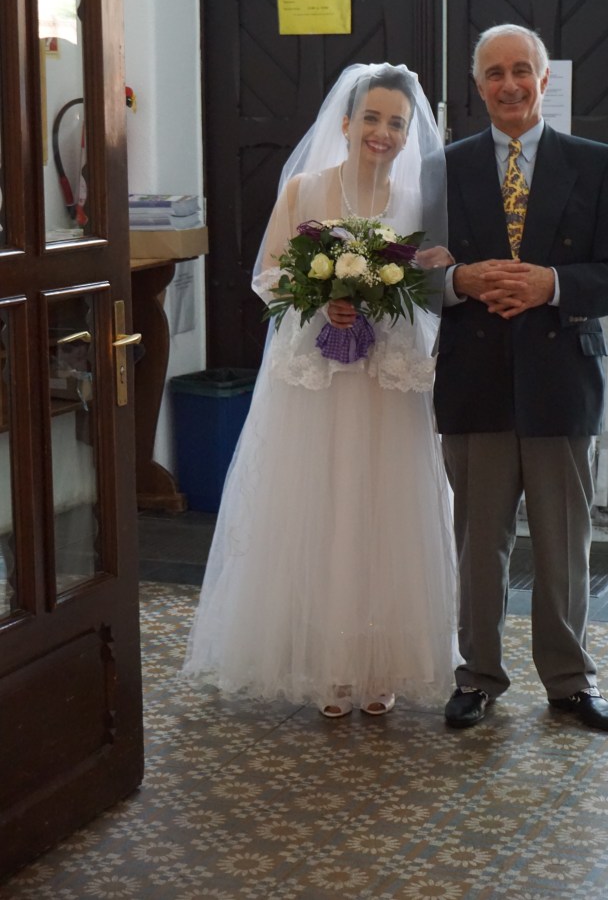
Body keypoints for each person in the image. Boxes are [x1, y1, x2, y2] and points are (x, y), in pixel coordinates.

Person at [183, 63, 460, 718]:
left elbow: (433, 288)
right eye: (371, 118)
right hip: (315, 380)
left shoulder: (420, 204)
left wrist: (399, 291)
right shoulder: (306, 191)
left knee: (386, 511)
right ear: (345, 122)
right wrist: (324, 303)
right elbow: (271, 275)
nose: (382, 132)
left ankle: (381, 662)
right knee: (318, 509)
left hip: (387, 382)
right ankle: (329, 665)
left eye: (396, 122)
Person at [434, 25, 608, 733]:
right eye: (493, 73)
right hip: (475, 381)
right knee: (478, 547)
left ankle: (569, 683)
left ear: (544, 78)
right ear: (477, 85)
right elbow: (405, 272)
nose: (508, 85)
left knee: (561, 546)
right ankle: (476, 677)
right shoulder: (444, 168)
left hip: (561, 380)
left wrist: (551, 284)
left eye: (521, 70)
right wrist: (458, 280)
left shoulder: (597, 163)